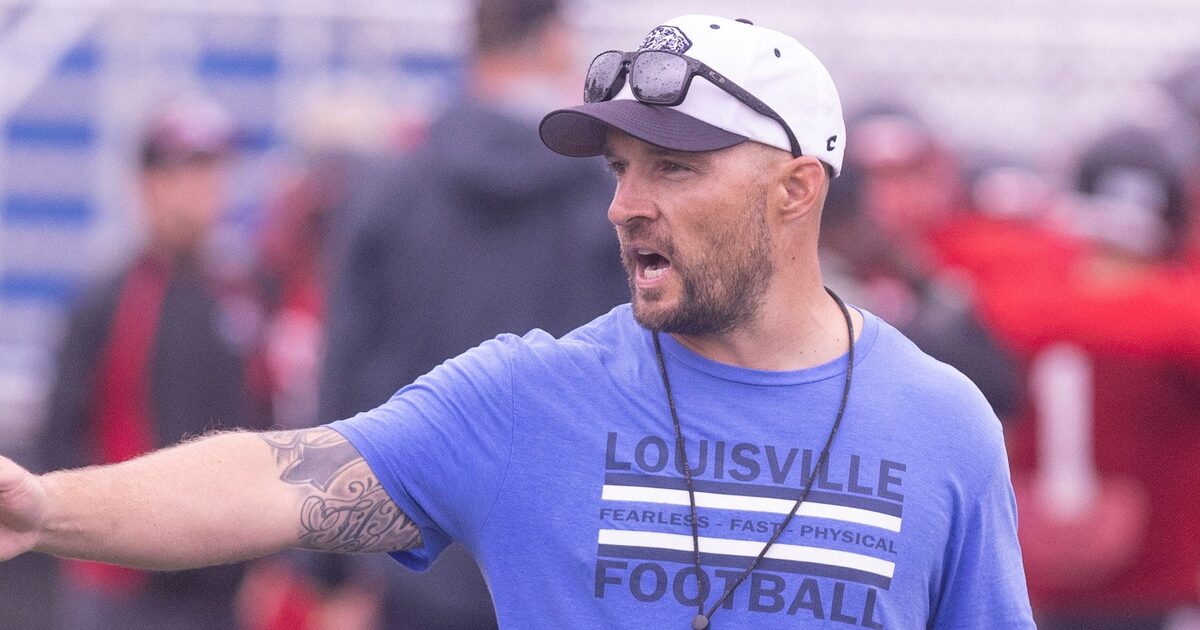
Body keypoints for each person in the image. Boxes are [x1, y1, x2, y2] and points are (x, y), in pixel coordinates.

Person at [0, 15, 1034, 628]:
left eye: (676, 167)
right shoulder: (525, 398)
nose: (628, 202)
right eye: (622, 168)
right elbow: (278, 482)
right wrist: (43, 507)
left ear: (797, 190)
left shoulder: (942, 425)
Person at [314, 0, 626, 627]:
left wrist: (331, 567)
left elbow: (342, 376)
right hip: (569, 562)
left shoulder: (391, 192)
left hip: (413, 553)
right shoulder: (612, 201)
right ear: (553, 41)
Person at [34, 97, 264, 630]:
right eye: (192, 170)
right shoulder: (108, 303)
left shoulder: (243, 296)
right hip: (123, 588)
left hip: (218, 585)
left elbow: (267, 428)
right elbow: (61, 437)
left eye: (216, 170)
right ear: (148, 184)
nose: (209, 187)